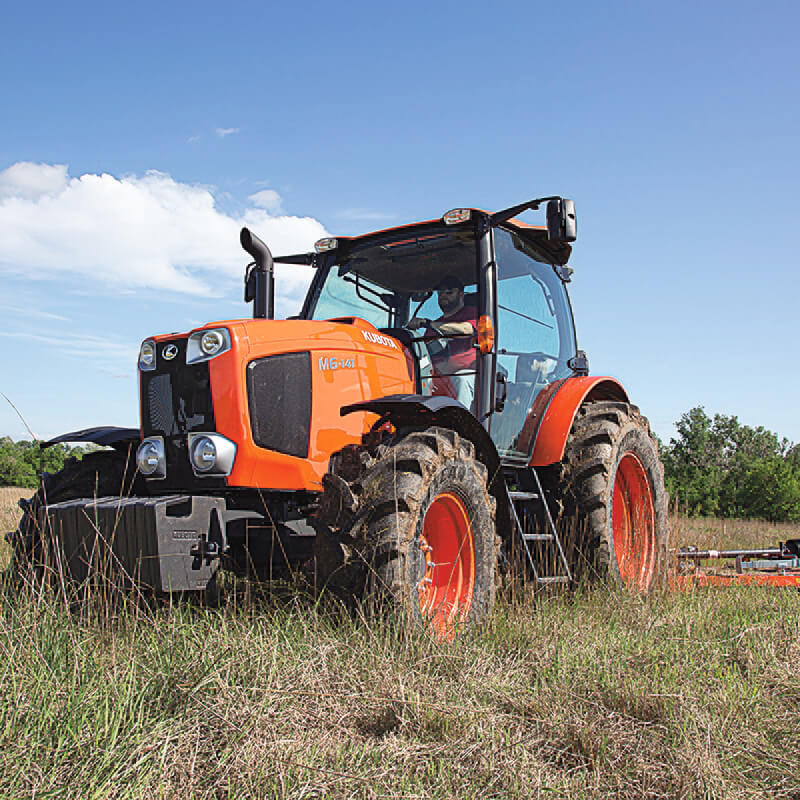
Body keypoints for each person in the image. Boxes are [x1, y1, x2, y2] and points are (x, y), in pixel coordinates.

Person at [407, 276, 478, 409]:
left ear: (461, 294)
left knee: (461, 380)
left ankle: (461, 426)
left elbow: (466, 330)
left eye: (449, 292)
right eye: (440, 293)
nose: (443, 295)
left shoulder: (472, 314)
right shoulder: (432, 328)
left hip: (470, 374)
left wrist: (428, 323)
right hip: (439, 379)